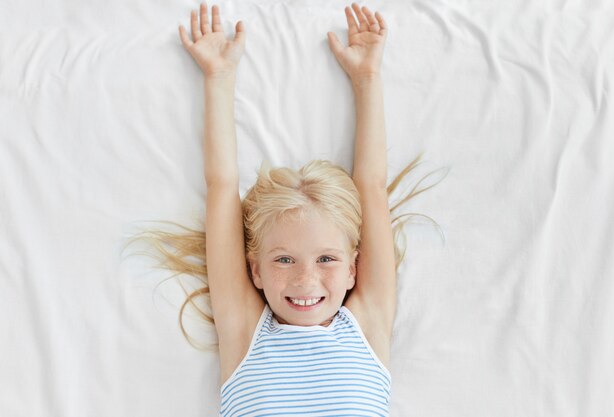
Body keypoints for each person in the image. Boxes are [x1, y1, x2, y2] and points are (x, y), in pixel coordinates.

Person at [128, 2, 445, 415]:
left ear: (353, 267)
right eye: (284, 259)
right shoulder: (245, 331)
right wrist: (219, 76)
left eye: (327, 258)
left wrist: (368, 77)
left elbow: (372, 186)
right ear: (255, 270)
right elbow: (222, 187)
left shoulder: (366, 324)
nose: (305, 278)